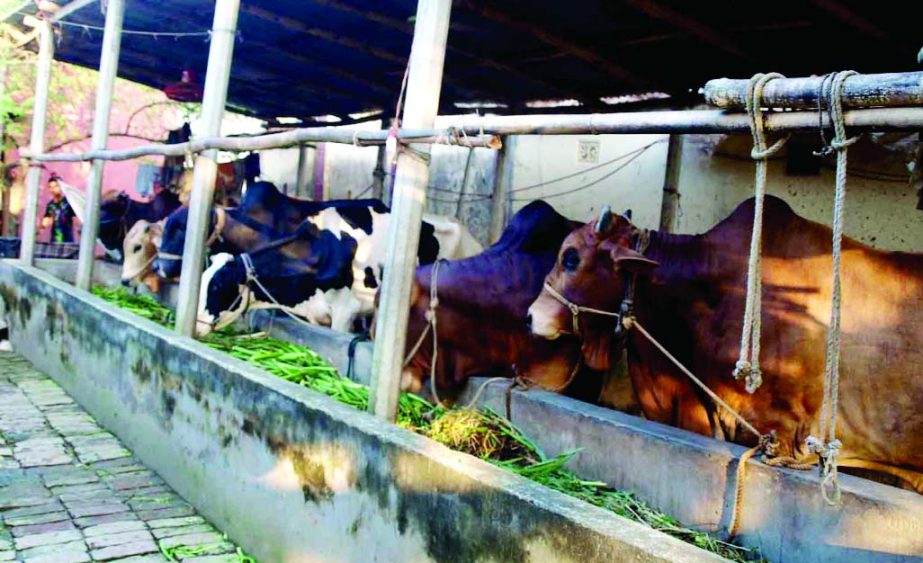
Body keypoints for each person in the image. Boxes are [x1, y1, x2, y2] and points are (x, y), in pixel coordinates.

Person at [41, 175, 76, 243]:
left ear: (61, 187)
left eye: (55, 186)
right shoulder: (50, 205)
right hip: (54, 240)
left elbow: (76, 220)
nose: (52, 189)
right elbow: (45, 222)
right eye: (50, 187)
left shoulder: (68, 202)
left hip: (67, 241)